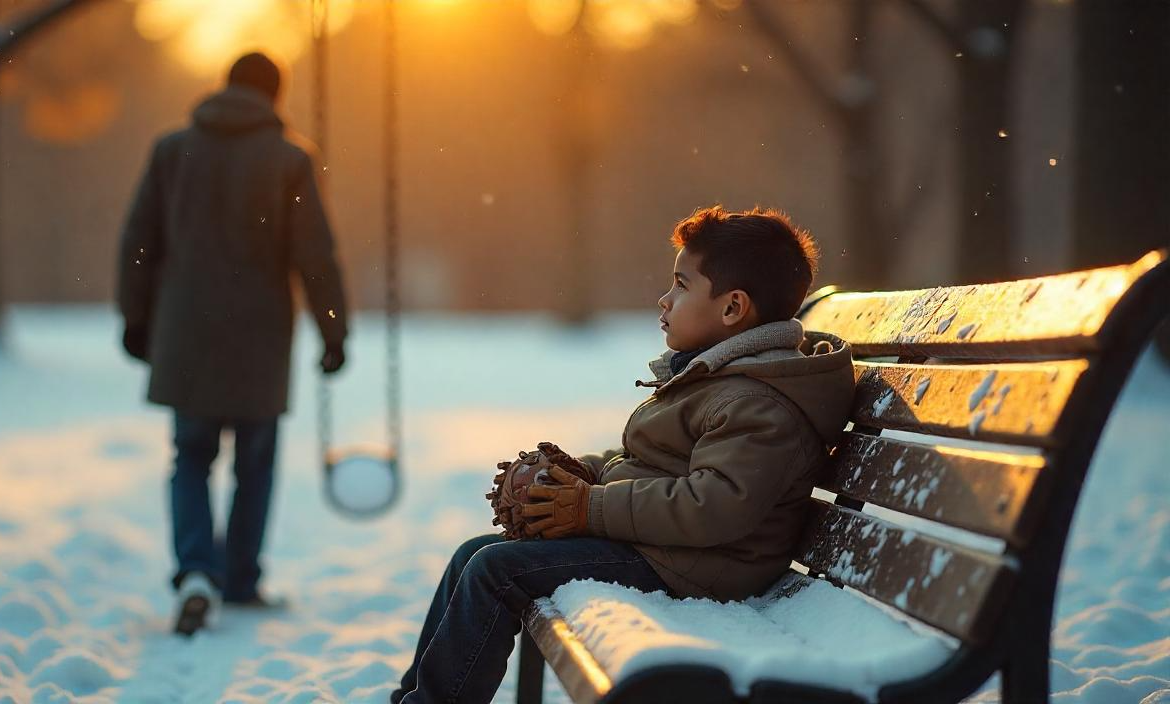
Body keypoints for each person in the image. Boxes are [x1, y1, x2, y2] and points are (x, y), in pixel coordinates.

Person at [391, 205, 855, 702]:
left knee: (496, 569)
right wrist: (580, 474)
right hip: (670, 549)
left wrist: (588, 507)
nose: (664, 299)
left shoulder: (758, 401)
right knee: (473, 555)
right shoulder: (725, 375)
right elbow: (654, 460)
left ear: (732, 308)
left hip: (701, 566)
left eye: (681, 285)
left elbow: (713, 508)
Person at [116, 52, 349, 636]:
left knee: (190, 458)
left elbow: (139, 240)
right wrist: (332, 329)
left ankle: (196, 569)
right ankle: (240, 578)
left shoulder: (172, 152)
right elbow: (314, 255)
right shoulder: (290, 160)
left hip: (185, 334)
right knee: (254, 463)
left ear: (225, 88)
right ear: (276, 96)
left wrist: (135, 317)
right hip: (258, 340)